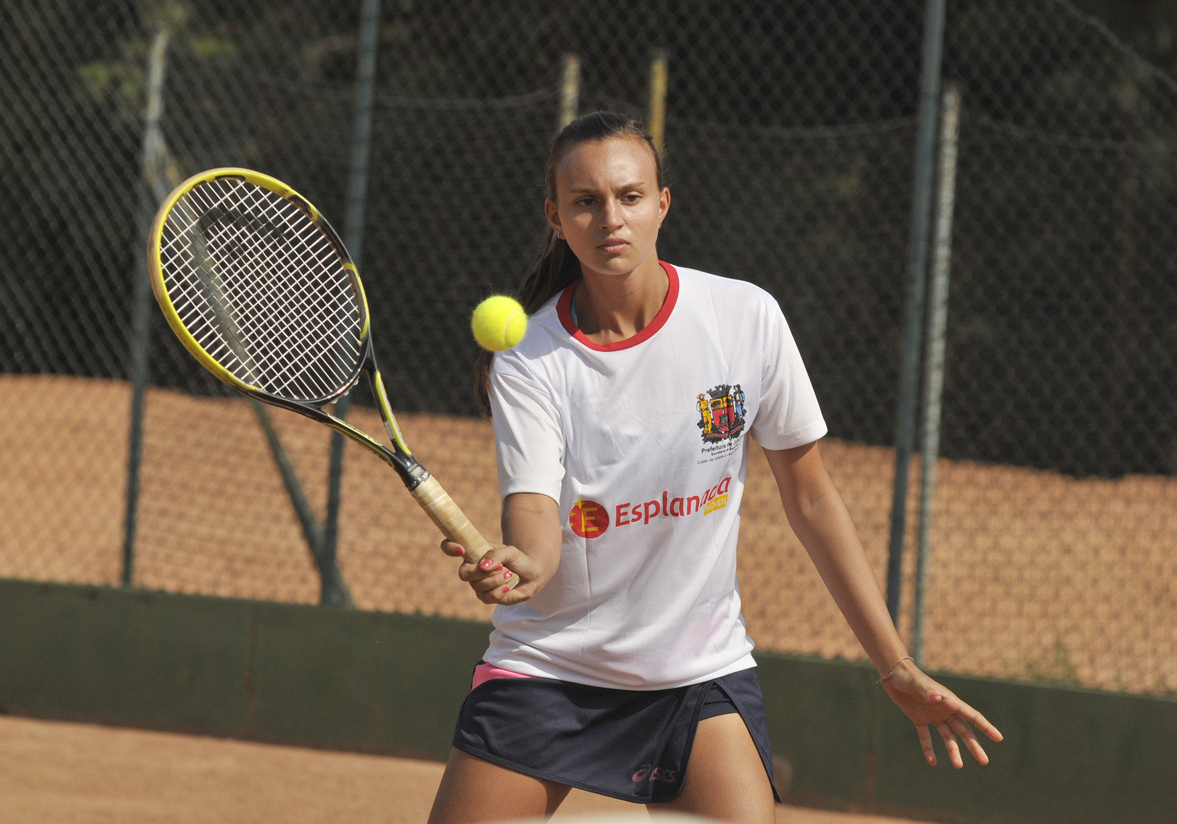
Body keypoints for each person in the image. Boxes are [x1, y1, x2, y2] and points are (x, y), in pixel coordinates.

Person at [428, 111, 1002, 824]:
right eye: (585, 202)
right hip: (552, 670)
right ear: (556, 217)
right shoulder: (530, 356)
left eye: (630, 196)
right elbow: (536, 512)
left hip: (696, 678)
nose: (611, 218)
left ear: (663, 202)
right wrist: (523, 566)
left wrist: (896, 665)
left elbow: (814, 500)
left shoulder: (744, 319)